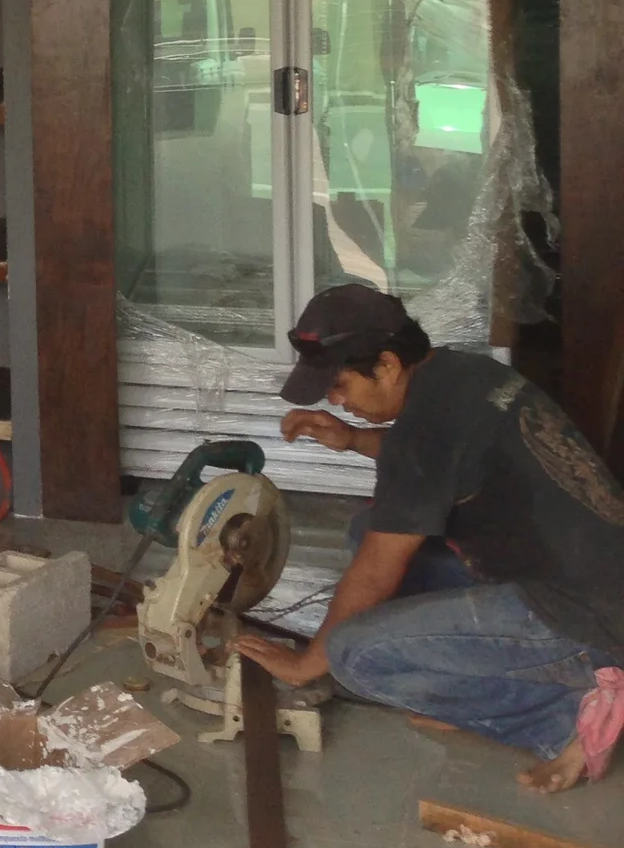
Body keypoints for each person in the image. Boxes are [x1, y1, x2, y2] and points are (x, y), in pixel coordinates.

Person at [235, 284, 624, 793]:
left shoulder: (423, 435)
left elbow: (375, 573)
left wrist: (307, 664)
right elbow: (440, 457)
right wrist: (353, 440)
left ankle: (569, 718)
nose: (337, 401)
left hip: (585, 620)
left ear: (388, 365)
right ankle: (485, 687)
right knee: (362, 530)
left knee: (351, 655)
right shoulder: (465, 373)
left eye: (340, 385)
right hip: (594, 577)